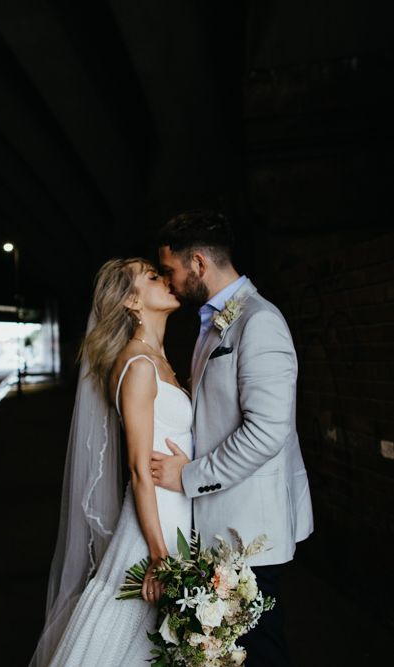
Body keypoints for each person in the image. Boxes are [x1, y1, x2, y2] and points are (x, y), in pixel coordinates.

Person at [151, 209, 314, 666]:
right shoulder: (219, 320)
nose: (170, 281)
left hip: (251, 529)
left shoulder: (259, 322)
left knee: (260, 651)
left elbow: (266, 433)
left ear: (198, 264)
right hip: (224, 525)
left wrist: (189, 476)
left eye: (172, 271)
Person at [29, 258, 193, 666]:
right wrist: (158, 556)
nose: (166, 279)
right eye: (153, 277)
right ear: (131, 301)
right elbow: (139, 469)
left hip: (176, 516)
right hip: (152, 528)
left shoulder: (159, 360)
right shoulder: (138, 366)